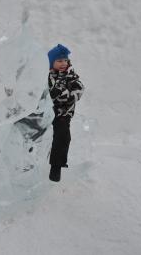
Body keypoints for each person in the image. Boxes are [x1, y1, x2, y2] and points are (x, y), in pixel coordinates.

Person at [47, 44, 84, 182]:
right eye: (59, 61)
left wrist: (63, 95)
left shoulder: (71, 76)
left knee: (63, 135)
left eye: (65, 60)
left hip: (62, 114)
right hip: (46, 113)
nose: (63, 63)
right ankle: (27, 162)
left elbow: (79, 91)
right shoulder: (46, 76)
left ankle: (56, 167)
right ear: (52, 62)